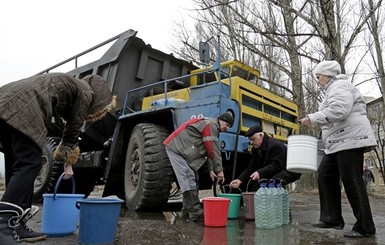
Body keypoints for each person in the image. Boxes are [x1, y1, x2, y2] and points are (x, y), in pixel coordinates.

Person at [0, 73, 116, 244]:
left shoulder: (69, 85)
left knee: (17, 165)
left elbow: (59, 126)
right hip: (24, 105)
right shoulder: (86, 91)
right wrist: (68, 162)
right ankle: (3, 225)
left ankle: (15, 224)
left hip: (6, 100)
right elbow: (73, 128)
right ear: (99, 97)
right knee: (30, 163)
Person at [299, 60, 377, 238]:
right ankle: (331, 217)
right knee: (325, 174)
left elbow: (339, 110)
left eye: (318, 77)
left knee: (352, 179)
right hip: (338, 141)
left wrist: (312, 118)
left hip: (350, 138)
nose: (318, 81)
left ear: (327, 75)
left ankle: (365, 226)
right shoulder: (332, 89)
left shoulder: (340, 85)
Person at [163, 112, 233, 221]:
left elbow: (208, 150)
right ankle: (195, 211)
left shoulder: (212, 127)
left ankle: (186, 212)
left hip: (183, 151)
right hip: (176, 149)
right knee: (188, 177)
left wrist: (211, 170)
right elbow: (213, 150)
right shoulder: (210, 124)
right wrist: (219, 170)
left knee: (194, 179)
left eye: (229, 126)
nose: (227, 128)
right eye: (227, 125)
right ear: (221, 120)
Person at [229, 125, 301, 190]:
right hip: (278, 169)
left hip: (291, 170)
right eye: (250, 140)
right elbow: (251, 167)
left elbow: (276, 165)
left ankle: (276, 202)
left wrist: (259, 173)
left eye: (253, 139)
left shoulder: (275, 146)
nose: (251, 142)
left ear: (261, 135)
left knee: (273, 182)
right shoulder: (256, 149)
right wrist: (240, 180)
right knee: (258, 182)